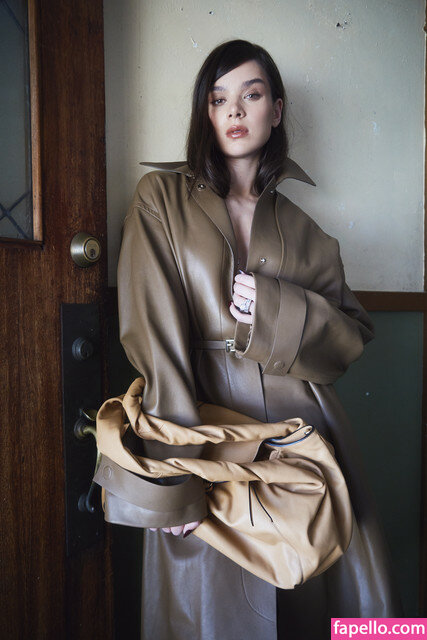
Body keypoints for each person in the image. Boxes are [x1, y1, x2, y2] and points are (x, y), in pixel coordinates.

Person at [117, 39, 401, 640]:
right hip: (200, 435)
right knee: (209, 611)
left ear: (276, 109)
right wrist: (174, 474)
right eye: (218, 98)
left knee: (317, 603)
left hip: (304, 439)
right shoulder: (159, 199)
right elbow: (155, 338)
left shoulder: (309, 232)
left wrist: (276, 311)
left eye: (251, 94)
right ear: (205, 113)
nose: (235, 110)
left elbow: (349, 341)